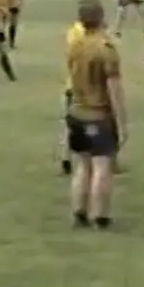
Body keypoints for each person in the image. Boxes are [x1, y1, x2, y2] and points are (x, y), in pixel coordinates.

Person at [65, 0, 126, 228]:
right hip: (98, 114)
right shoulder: (106, 48)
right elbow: (114, 89)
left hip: (77, 111)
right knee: (102, 167)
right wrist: (122, 121)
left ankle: (79, 212)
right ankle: (100, 215)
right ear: (101, 17)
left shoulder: (75, 45)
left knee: (82, 166)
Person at [59, 18, 87, 175]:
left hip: (72, 83)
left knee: (68, 121)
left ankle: (65, 157)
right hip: (89, 85)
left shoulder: (73, 31)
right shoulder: (95, 36)